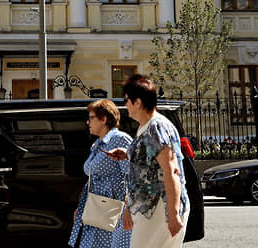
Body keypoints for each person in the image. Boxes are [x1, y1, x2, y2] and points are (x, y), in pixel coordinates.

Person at [105, 75, 189, 248]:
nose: (125, 104)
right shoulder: (146, 127)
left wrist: (172, 215)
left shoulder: (155, 128)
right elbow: (150, 161)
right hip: (150, 210)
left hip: (160, 211)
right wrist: (128, 154)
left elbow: (171, 170)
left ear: (138, 102)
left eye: (127, 99)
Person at [69, 99, 133, 248]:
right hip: (96, 209)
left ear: (104, 119)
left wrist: (130, 210)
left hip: (114, 210)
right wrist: (83, 206)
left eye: (91, 118)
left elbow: (132, 175)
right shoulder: (98, 144)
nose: (87, 122)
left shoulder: (120, 139)